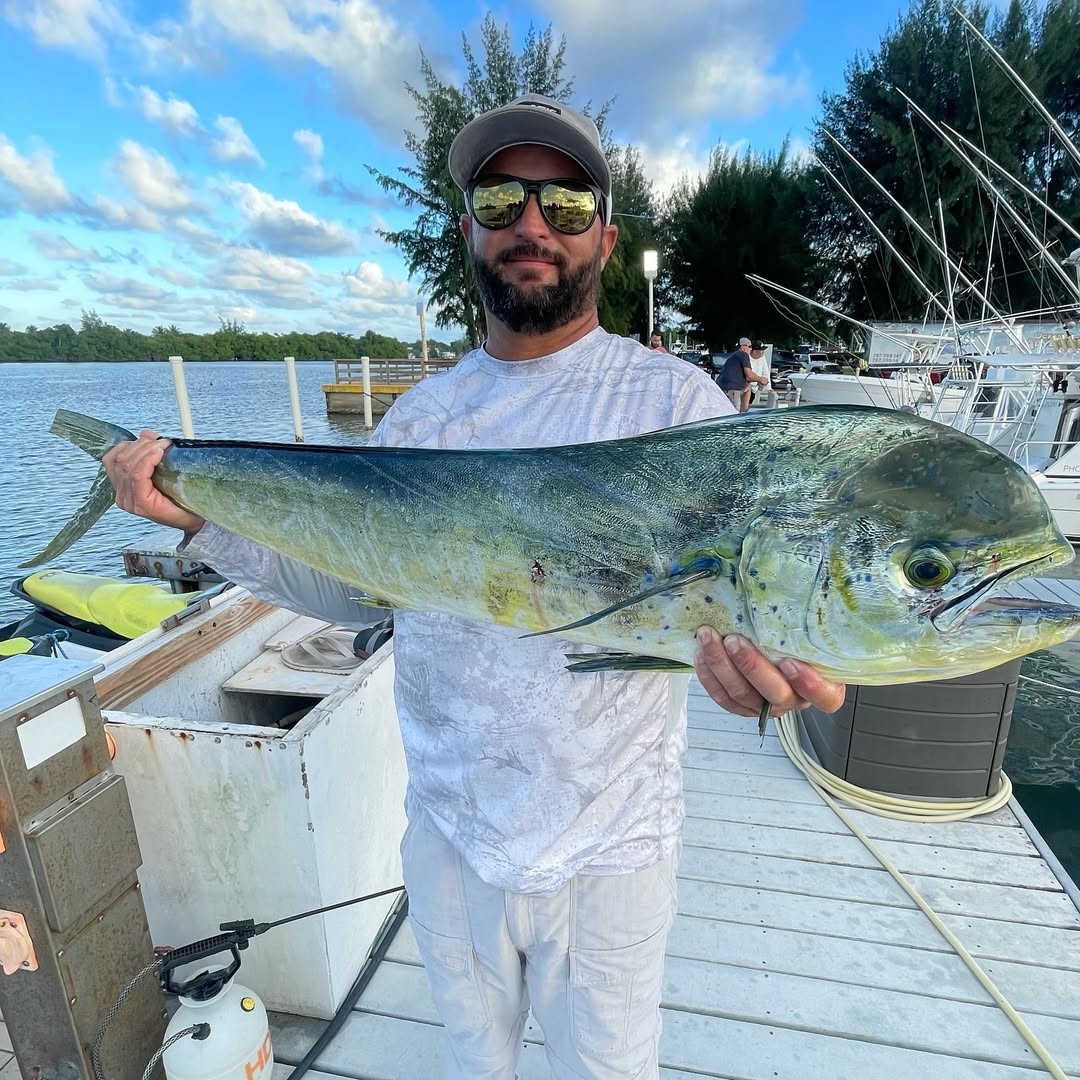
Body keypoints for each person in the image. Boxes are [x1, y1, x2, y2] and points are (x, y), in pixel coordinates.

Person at [102, 93, 845, 1080]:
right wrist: (197, 520)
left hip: (613, 847)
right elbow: (358, 593)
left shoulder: (678, 404)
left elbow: (756, 587)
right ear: (468, 232)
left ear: (605, 238)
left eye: (565, 203)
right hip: (453, 835)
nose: (532, 223)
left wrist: (780, 666)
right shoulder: (421, 421)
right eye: (501, 200)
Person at [718, 336, 768, 412]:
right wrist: (761, 379)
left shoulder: (734, 356)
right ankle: (743, 414)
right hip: (732, 389)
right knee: (733, 413)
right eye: (749, 346)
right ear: (742, 347)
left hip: (722, 387)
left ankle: (744, 412)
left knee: (748, 387)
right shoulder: (743, 355)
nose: (751, 349)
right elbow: (749, 375)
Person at [741, 339, 770, 411]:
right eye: (761, 350)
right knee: (742, 407)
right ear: (755, 351)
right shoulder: (747, 358)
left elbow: (765, 372)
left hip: (754, 389)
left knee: (749, 406)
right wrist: (759, 380)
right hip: (745, 388)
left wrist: (768, 388)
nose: (763, 352)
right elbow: (748, 374)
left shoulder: (762, 358)